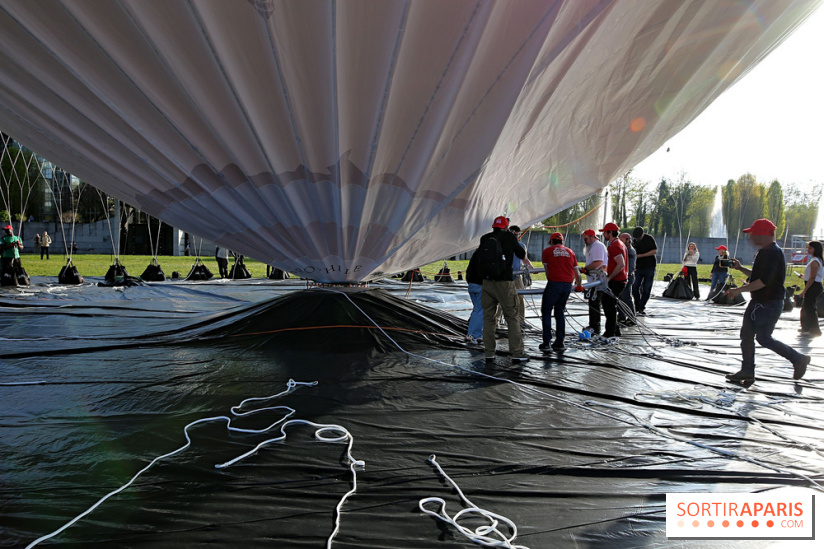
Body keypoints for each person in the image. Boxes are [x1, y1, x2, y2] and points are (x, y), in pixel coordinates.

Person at [724, 219, 810, 383]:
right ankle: (747, 370)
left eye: (753, 234)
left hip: (769, 303)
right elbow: (757, 277)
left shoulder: (772, 253)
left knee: (764, 338)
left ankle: (798, 359)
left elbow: (763, 282)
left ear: (763, 234)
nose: (751, 238)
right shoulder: (765, 252)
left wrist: (738, 290)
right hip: (759, 302)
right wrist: (740, 268)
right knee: (747, 335)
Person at [480, 216, 534, 364]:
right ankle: (517, 353)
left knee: (489, 318)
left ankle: (489, 353)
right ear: (506, 226)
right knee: (512, 317)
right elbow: (521, 254)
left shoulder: (485, 238)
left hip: (487, 282)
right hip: (505, 282)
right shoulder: (509, 237)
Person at [540, 232, 582, 352]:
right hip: (567, 285)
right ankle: (559, 342)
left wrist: (552, 282)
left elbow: (547, 272)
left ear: (552, 241)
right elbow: (577, 273)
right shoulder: (570, 252)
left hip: (554, 283)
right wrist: (579, 285)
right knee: (560, 312)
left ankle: (546, 342)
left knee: (547, 311)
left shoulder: (547, 252)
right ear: (562, 242)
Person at [599, 223, 628, 338]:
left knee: (608, 306)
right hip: (621, 279)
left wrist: (609, 278)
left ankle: (610, 332)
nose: (603, 234)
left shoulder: (614, 246)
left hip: (616, 280)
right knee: (611, 305)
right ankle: (615, 330)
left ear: (610, 233)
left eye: (605, 232)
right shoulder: (620, 244)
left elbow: (621, 264)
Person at [581, 228, 608, 334]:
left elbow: (598, 262)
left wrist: (587, 268)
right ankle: (593, 324)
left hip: (597, 281)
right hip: (594, 280)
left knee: (594, 303)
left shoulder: (597, 246)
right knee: (593, 303)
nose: (585, 241)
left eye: (586, 239)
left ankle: (595, 327)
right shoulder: (593, 246)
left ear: (592, 237)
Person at [798, 240, 823, 337]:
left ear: (815, 249)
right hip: (813, 285)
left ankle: (815, 329)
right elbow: (810, 276)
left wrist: (804, 291)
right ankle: (806, 327)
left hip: (814, 286)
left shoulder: (815, 261)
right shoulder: (815, 260)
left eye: (810, 248)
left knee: (810, 308)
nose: (808, 250)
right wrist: (803, 276)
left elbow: (813, 278)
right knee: (806, 307)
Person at [631, 226, 657, 316]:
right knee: (635, 287)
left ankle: (641, 307)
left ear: (643, 234)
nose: (637, 239)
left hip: (649, 266)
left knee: (646, 289)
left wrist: (642, 255)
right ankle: (637, 305)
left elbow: (654, 251)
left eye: (639, 237)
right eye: (636, 237)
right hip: (638, 267)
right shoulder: (634, 241)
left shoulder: (649, 239)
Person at [464, 247, 484, 344]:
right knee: (480, 310)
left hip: (471, 284)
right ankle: (476, 335)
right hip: (480, 285)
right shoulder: (487, 254)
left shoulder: (476, 254)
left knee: (476, 310)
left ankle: (470, 334)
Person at [617, 232, 636, 325]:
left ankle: (632, 317)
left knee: (626, 297)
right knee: (620, 297)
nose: (620, 241)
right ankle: (621, 316)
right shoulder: (624, 249)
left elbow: (630, 266)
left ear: (628, 240)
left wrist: (626, 275)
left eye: (622, 240)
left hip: (627, 277)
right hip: (623, 276)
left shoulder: (630, 251)